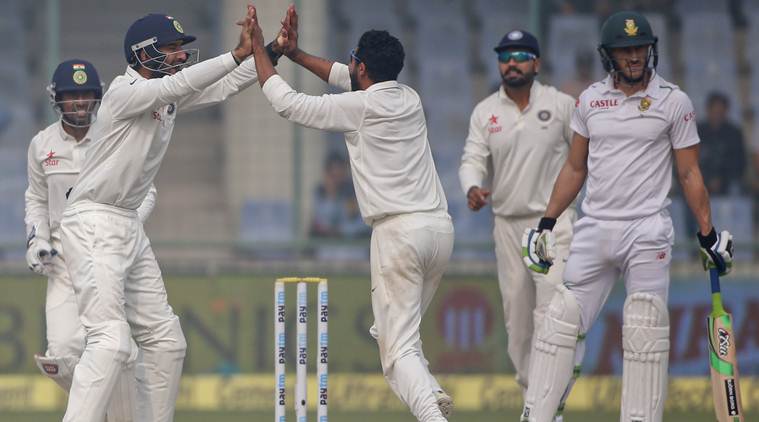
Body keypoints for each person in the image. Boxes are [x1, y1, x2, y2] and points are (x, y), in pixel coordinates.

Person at [58, 9, 285, 421]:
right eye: (171, 49)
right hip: (92, 220)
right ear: (142, 54)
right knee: (110, 341)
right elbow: (187, 82)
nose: (180, 56)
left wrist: (272, 51)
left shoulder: (165, 94)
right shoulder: (123, 94)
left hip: (126, 222)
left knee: (166, 341)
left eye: (181, 49)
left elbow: (225, 87)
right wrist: (235, 53)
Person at [520, 11, 734, 422]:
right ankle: (539, 416)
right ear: (609, 56)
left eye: (640, 48)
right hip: (594, 227)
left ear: (651, 50)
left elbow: (689, 172)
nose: (634, 57)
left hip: (647, 231)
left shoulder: (674, 101)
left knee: (644, 327)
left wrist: (707, 233)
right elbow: (575, 168)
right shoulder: (589, 101)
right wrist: (547, 221)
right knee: (559, 322)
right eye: (625, 51)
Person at [251, 5, 453, 421]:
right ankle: (431, 391)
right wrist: (295, 53)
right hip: (439, 230)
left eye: (353, 62)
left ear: (361, 66)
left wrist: (260, 49)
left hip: (399, 235)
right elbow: (345, 76)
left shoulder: (357, 109)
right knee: (392, 333)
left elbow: (288, 105)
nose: (349, 68)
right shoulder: (410, 99)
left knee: (396, 352)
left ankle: (431, 414)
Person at [25, 59, 155, 421]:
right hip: (64, 262)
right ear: (57, 99)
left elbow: (146, 191)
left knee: (117, 348)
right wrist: (37, 241)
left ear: (98, 98)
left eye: (86, 95)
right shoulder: (41, 145)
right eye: (72, 96)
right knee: (64, 352)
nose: (80, 103)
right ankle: (108, 409)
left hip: (109, 256)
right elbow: (36, 199)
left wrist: (120, 225)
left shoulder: (114, 135)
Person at [459, 30, 575, 421]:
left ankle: (552, 405)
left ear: (536, 63)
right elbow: (471, 158)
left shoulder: (560, 105)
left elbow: (585, 156)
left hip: (553, 225)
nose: (512, 62)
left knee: (553, 315)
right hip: (507, 225)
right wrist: (472, 186)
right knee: (519, 324)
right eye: (505, 56)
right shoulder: (484, 112)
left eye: (521, 55)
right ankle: (536, 405)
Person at [696, 91, 746, 196]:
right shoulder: (696, 131)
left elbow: (739, 163)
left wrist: (722, 180)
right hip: (700, 180)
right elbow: (690, 162)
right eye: (714, 111)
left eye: (720, 112)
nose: (717, 116)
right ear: (708, 110)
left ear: (726, 111)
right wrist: (707, 179)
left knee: (737, 188)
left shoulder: (734, 133)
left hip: (727, 182)